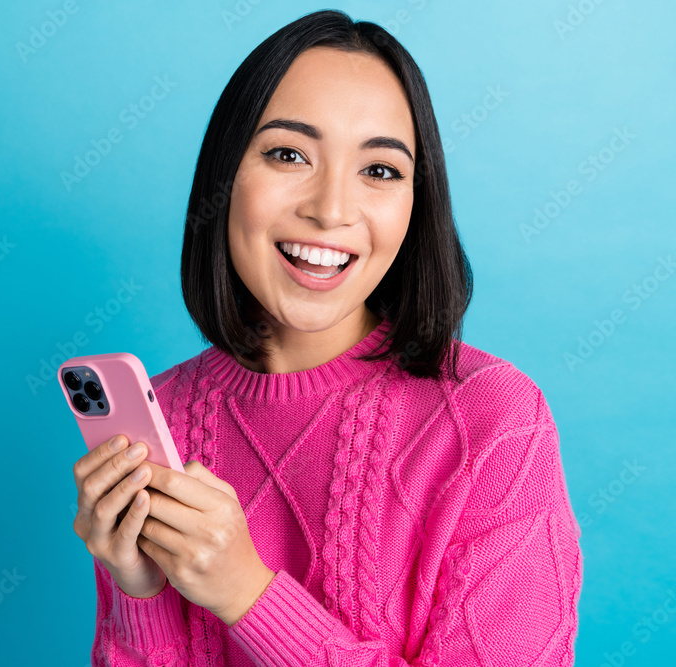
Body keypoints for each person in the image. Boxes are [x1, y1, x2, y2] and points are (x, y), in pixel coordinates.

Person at [71, 9, 582, 666]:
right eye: (289, 154)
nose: (331, 208)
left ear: (415, 205)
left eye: (380, 170)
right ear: (224, 178)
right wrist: (139, 593)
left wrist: (248, 595)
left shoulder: (495, 423)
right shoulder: (159, 418)